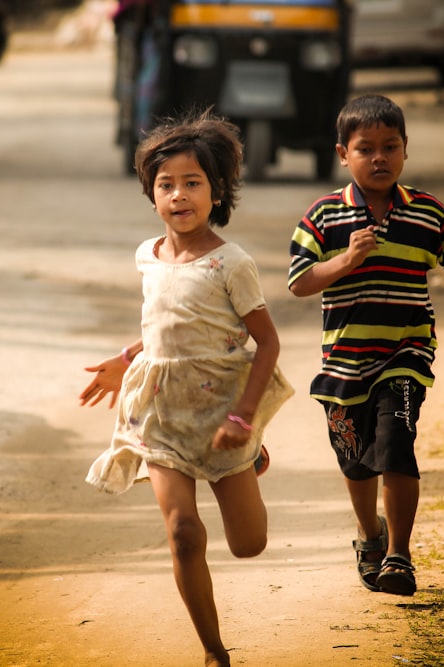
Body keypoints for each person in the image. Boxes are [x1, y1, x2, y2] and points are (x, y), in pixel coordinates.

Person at [80, 111, 293, 666]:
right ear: (151, 194)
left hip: (224, 410)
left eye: (192, 182)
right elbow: (164, 327)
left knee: (249, 545)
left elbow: (266, 344)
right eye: (166, 184)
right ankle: (214, 652)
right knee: (183, 534)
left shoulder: (232, 263)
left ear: (216, 190)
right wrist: (126, 357)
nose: (179, 195)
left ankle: (253, 457)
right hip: (162, 413)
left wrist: (244, 418)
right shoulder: (146, 257)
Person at [286, 94, 444, 596]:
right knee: (356, 461)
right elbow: (298, 281)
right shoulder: (323, 217)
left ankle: (399, 555)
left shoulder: (426, 213)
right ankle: (370, 535)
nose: (379, 157)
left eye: (391, 146)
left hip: (406, 353)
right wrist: (345, 261)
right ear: (344, 154)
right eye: (366, 149)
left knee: (396, 441)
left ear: (406, 150)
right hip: (344, 361)